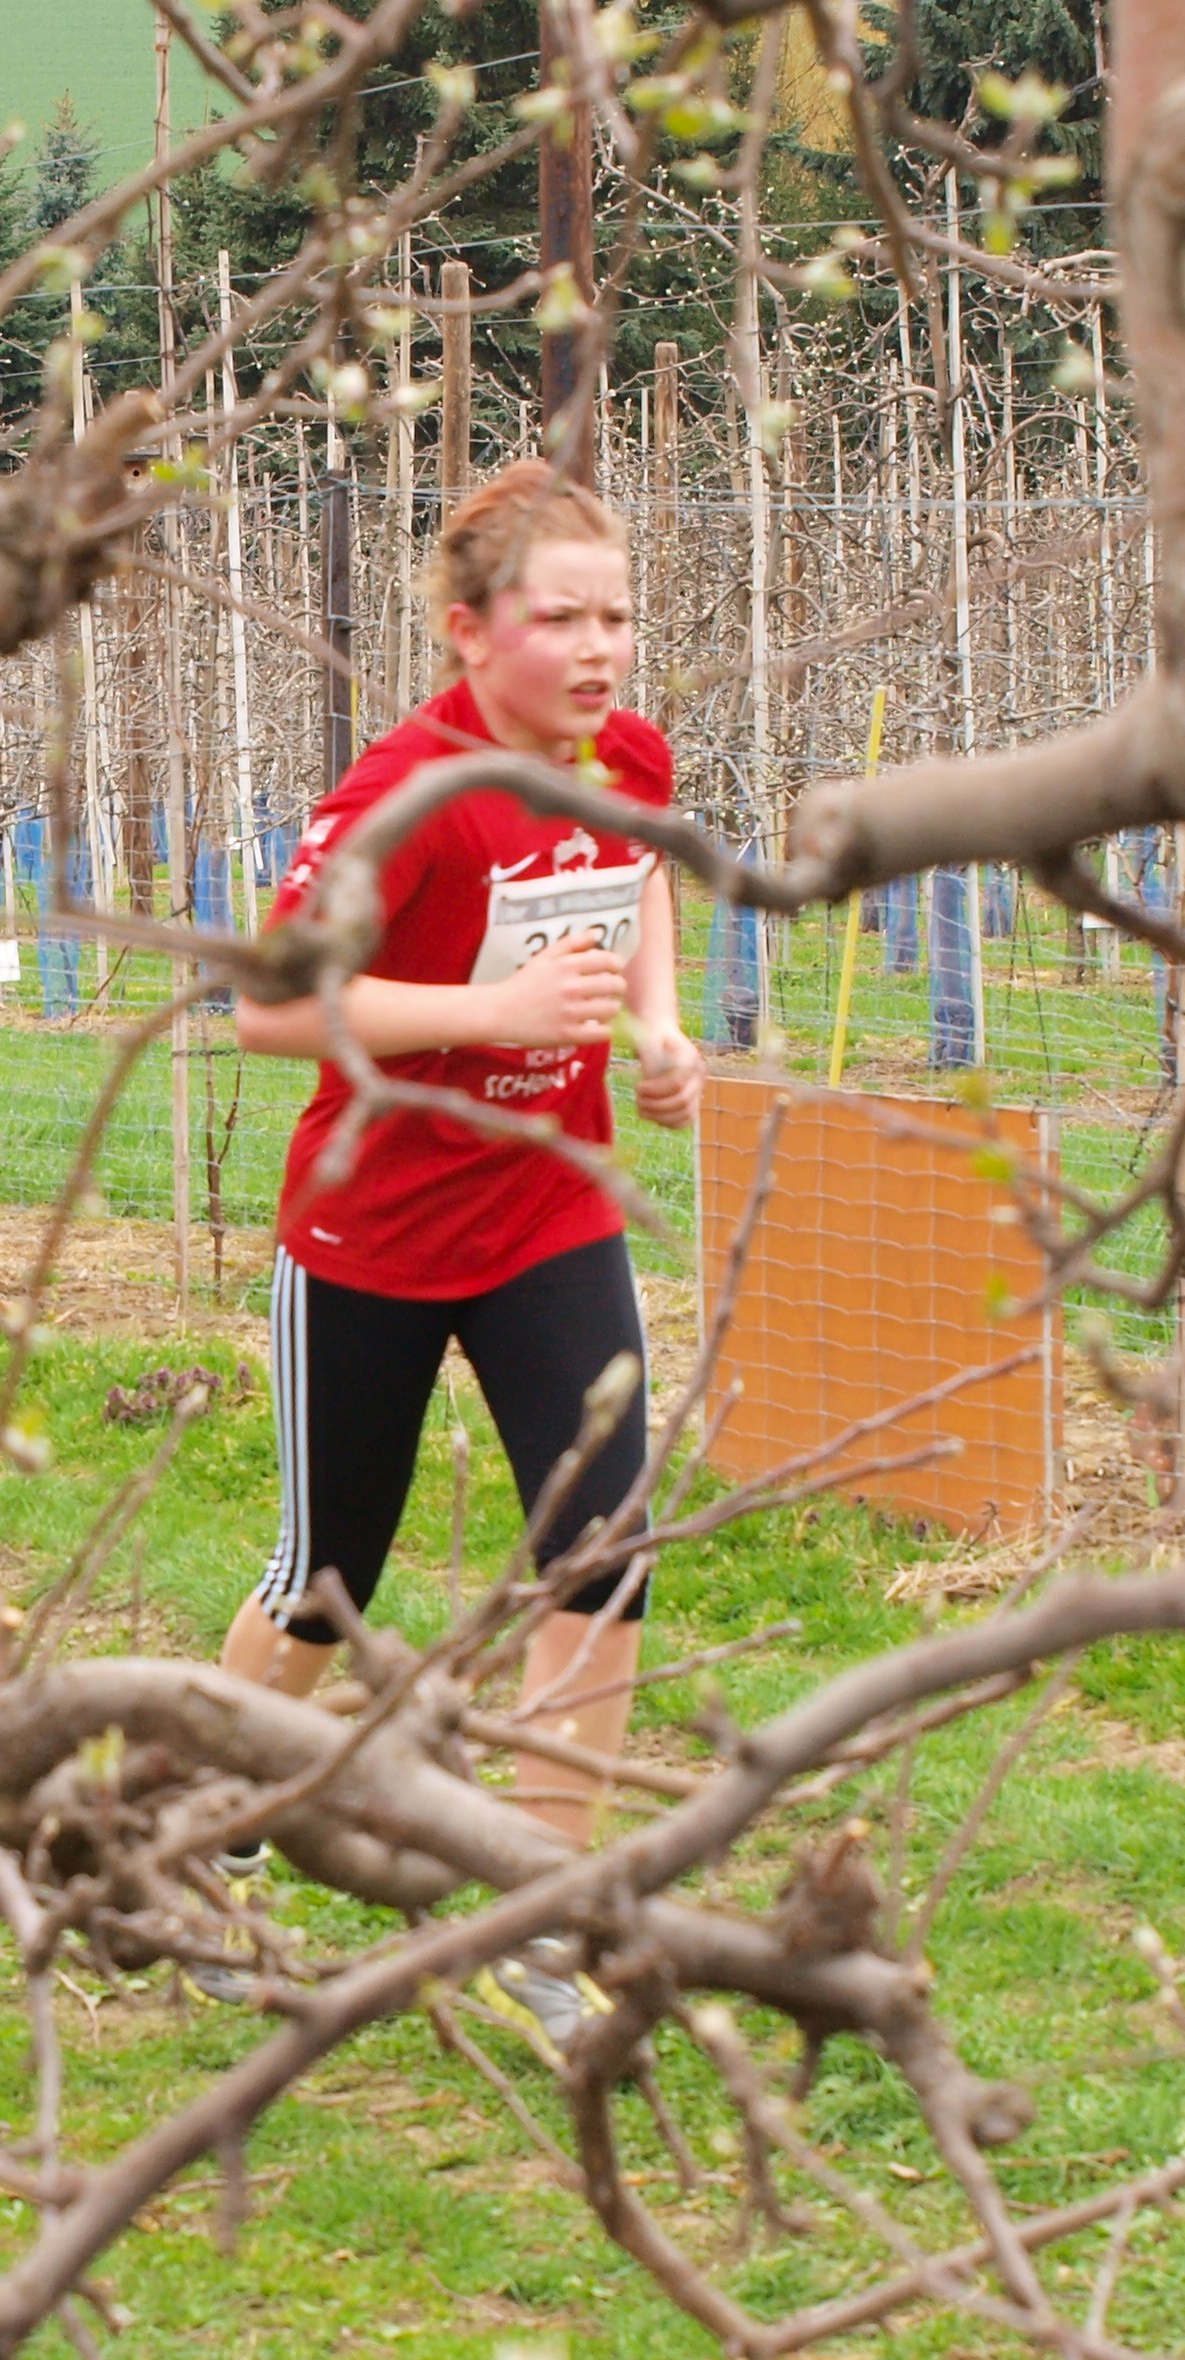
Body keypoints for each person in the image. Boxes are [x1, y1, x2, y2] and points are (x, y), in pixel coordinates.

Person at [223, 461, 705, 2022]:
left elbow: (634, 880)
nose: (598, 647)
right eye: (561, 618)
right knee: (328, 1575)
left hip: (548, 1206)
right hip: (372, 1225)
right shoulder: (405, 796)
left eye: (616, 616)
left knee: (604, 1552)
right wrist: (492, 1012)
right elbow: (268, 1009)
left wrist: (658, 1026)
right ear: (470, 630)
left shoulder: (628, 757)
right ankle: (204, 1833)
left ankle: (544, 1923)